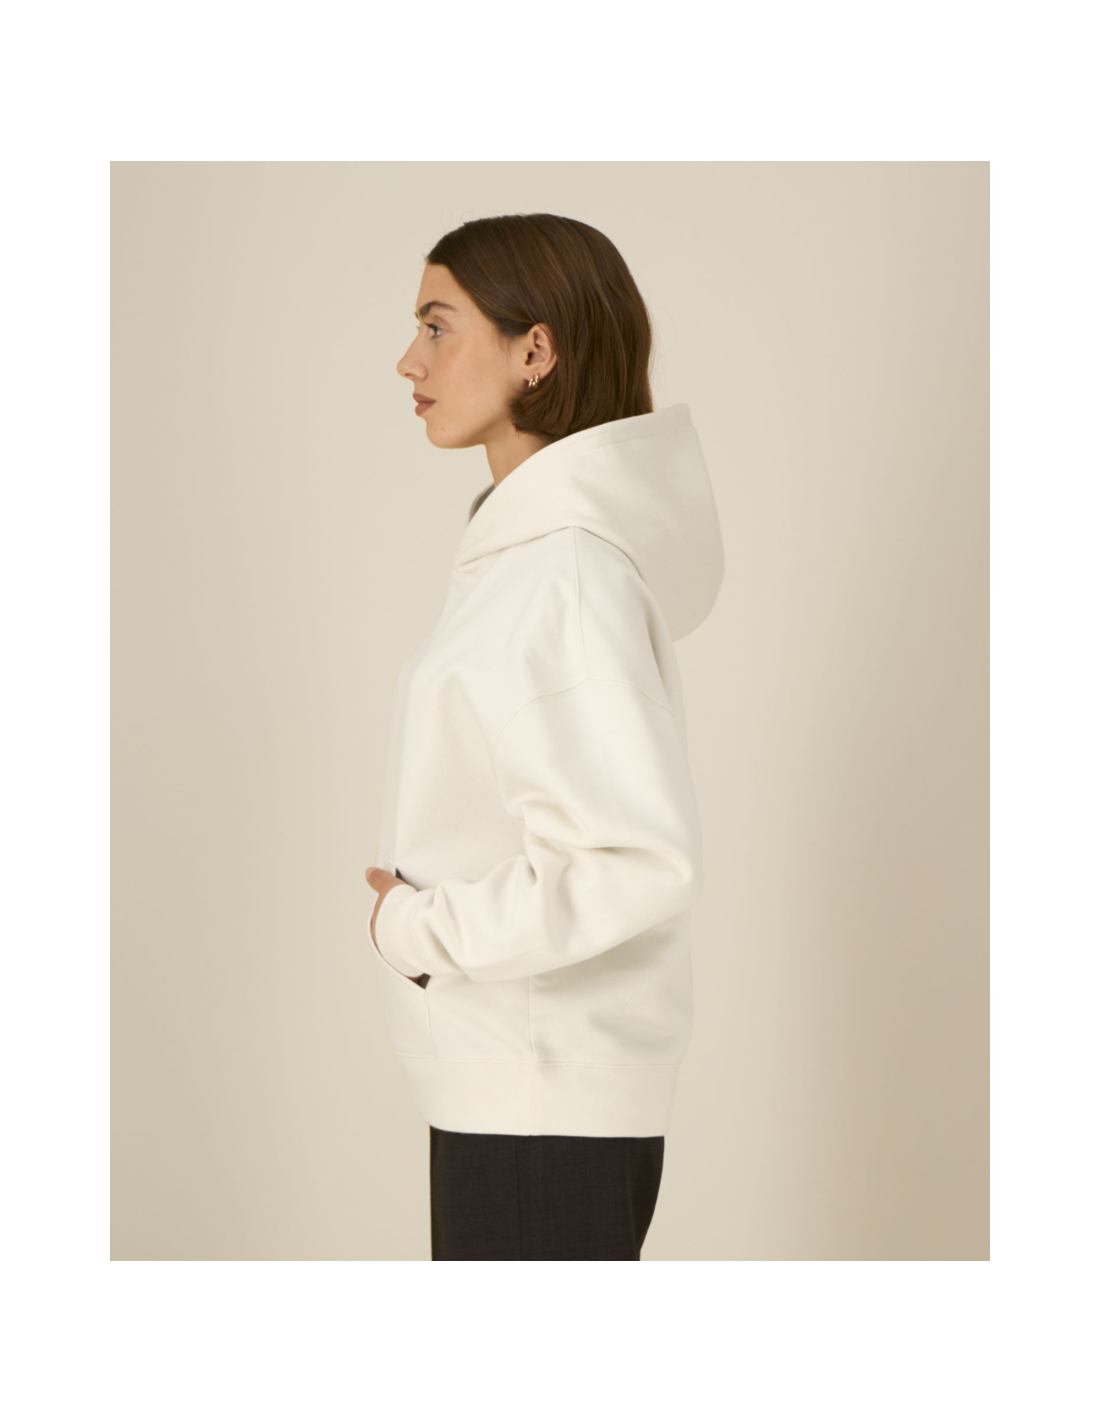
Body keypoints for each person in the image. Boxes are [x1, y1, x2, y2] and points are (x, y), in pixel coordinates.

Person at [364, 213, 724, 1260]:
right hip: (527, 1091)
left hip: (539, 1104)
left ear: (536, 350)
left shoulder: (561, 572)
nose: (408, 361)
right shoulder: (526, 558)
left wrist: (412, 929)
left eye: (437, 326)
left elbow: (632, 859)